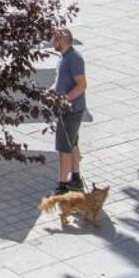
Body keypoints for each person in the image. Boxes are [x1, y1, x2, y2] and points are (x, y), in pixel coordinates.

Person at [51, 26, 87, 194]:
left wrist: (63, 100)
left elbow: (81, 86)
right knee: (72, 143)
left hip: (70, 111)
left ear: (60, 41)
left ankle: (62, 185)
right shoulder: (64, 56)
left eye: (54, 38)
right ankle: (76, 179)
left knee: (64, 148)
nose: (51, 41)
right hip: (68, 108)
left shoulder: (74, 58)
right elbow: (62, 81)